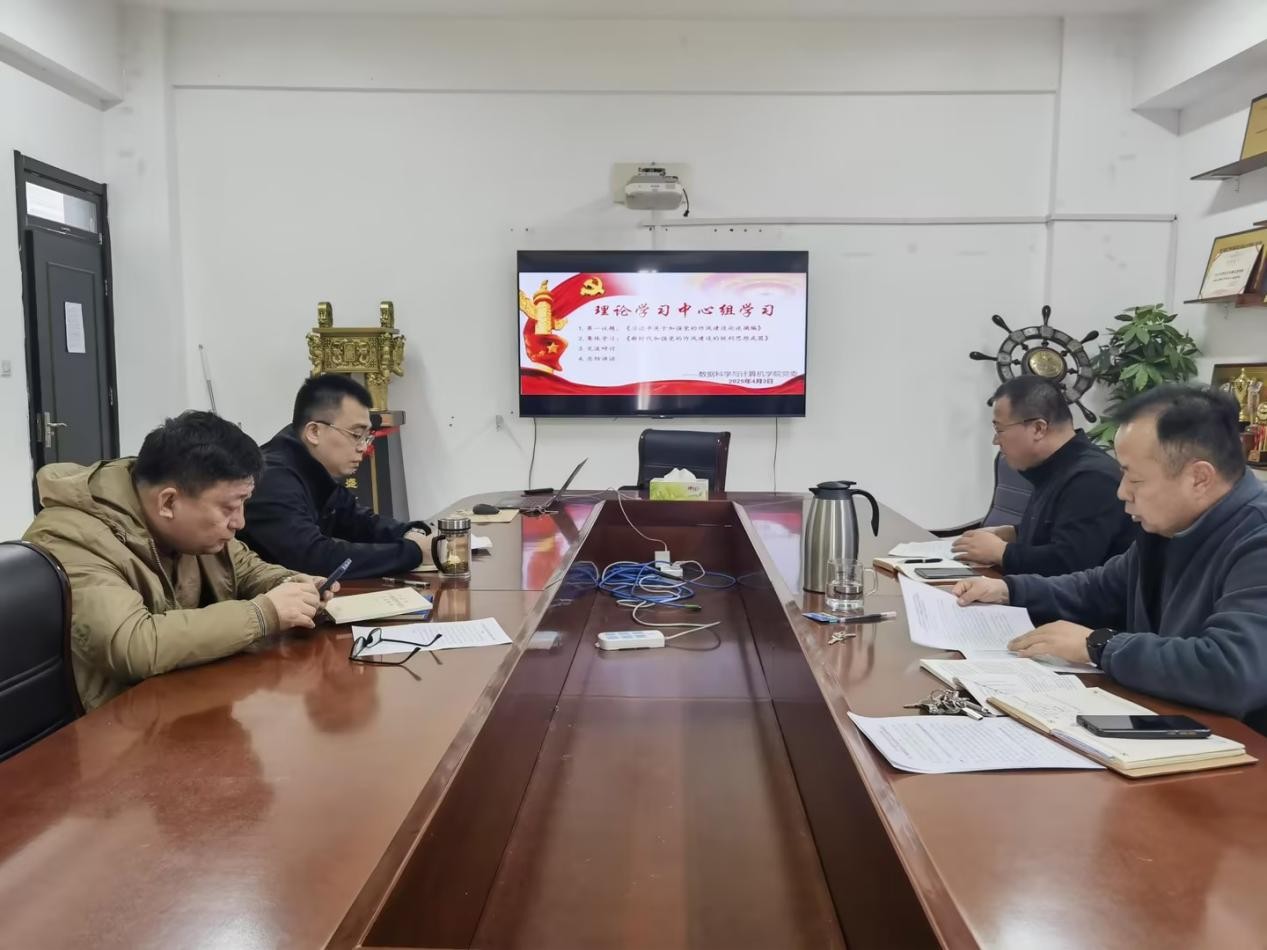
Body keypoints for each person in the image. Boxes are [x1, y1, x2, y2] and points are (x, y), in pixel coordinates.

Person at [954, 385, 1267, 732]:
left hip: (1242, 747)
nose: (1122, 492)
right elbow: (1098, 587)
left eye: (1135, 478)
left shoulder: (1257, 539)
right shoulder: (1168, 526)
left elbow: (1233, 671)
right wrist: (1010, 590)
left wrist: (1098, 646)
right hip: (1173, 721)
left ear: (1199, 478)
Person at [23, 411, 334, 712]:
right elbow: (133, 645)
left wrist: (290, 585)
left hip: (181, 702)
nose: (239, 522)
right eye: (229, 508)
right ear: (168, 501)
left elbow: (246, 568)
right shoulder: (72, 537)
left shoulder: (189, 527)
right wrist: (263, 614)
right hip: (115, 727)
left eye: (243, 504)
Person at [239, 374, 431, 579]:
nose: (363, 448)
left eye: (367, 437)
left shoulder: (313, 467)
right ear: (314, 432)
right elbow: (313, 558)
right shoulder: (272, 478)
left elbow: (357, 521)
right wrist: (413, 552)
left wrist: (411, 532)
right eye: (356, 435)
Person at [952, 375, 1136, 575]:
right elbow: (1057, 531)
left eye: (1000, 429)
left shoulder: (1092, 478)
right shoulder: (1053, 466)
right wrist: (1013, 533)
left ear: (1038, 428)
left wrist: (1002, 552)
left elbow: (1069, 565)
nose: (996, 440)